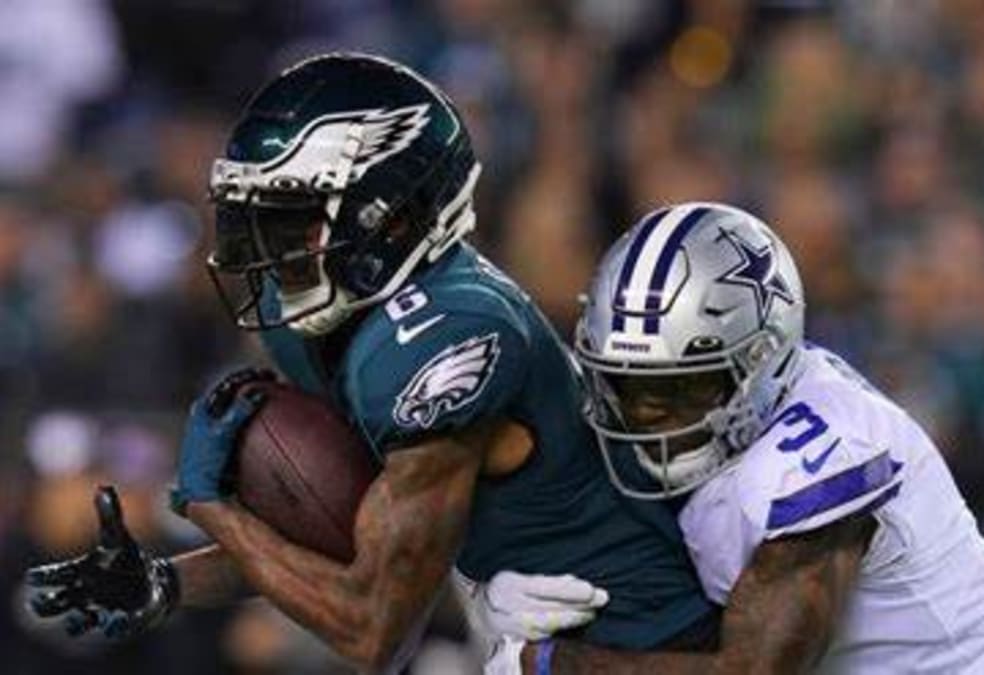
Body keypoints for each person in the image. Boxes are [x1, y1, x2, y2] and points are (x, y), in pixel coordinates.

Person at [24, 53, 718, 672]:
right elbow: (345, 535)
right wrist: (167, 582)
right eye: (252, 216)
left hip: (647, 643)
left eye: (291, 219)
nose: (263, 247)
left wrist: (213, 510)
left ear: (389, 217)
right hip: (527, 633)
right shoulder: (333, 319)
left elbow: (374, 629)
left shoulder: (448, 335)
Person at [476, 202, 984, 674]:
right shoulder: (709, 427)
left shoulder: (822, 451)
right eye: (627, 385)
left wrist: (551, 662)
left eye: (679, 389)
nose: (646, 415)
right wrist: (502, 589)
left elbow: (751, 668)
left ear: (760, 362)